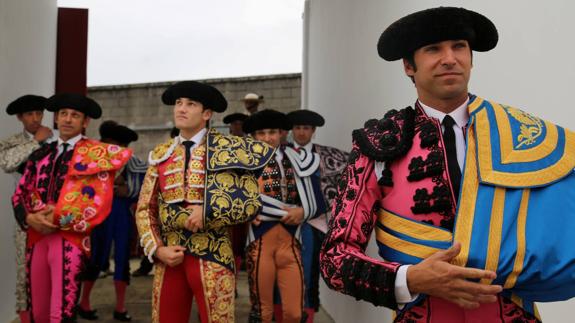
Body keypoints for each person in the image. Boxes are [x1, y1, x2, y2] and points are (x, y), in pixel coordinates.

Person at [320, 6, 575, 322]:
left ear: (471, 58)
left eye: (459, 46)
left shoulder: (525, 136)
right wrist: (410, 279)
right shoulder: (378, 147)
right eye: (433, 49)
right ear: (408, 66)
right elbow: (335, 259)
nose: (449, 58)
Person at [135, 81, 274, 323]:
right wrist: (157, 249)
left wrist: (208, 211)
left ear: (207, 114)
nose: (181, 109)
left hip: (214, 253)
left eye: (190, 104)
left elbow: (250, 202)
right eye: (178, 103)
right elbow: (145, 208)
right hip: (170, 256)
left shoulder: (230, 149)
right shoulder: (161, 154)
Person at [12, 93, 131, 322]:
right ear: (56, 118)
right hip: (36, 237)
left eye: (75, 115)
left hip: (69, 237)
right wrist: (29, 218)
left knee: (62, 311)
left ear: (85, 122)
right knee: (39, 309)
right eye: (63, 114)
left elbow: (98, 203)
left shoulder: (97, 154)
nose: (67, 119)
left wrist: (55, 219)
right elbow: (20, 194)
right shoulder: (39, 154)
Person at [243, 109, 326, 323]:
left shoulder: (299, 159)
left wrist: (302, 211)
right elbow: (234, 199)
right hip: (260, 239)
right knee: (263, 311)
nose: (268, 138)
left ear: (281, 133)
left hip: (291, 238)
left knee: (294, 312)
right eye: (261, 133)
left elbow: (317, 201)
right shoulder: (243, 163)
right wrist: (247, 211)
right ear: (253, 136)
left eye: (272, 132)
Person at [78, 121, 147, 321]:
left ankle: (120, 307)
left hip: (120, 214)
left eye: (118, 146)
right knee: (95, 258)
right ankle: (84, 302)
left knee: (122, 259)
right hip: (98, 214)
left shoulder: (134, 163)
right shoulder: (93, 160)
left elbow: (141, 190)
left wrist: (129, 190)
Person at [286, 109, 348, 322]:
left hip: (315, 224)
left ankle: (307, 316)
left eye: (305, 128)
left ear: (313, 131)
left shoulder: (330, 156)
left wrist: (309, 210)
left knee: (310, 276)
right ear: (292, 130)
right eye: (297, 128)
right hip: (283, 222)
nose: (301, 132)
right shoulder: (280, 154)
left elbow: (344, 187)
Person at [0, 94, 53, 323]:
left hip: (53, 213)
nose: (35, 118)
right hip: (25, 216)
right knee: (25, 273)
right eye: (30, 114)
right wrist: (35, 142)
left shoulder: (54, 140)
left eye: (39, 113)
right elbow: (7, 164)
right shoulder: (11, 142)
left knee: (53, 271)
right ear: (20, 117)